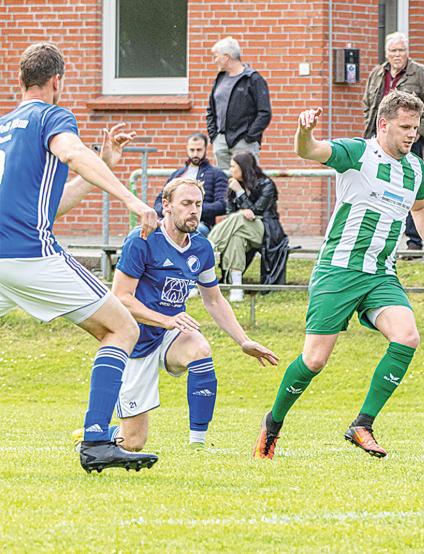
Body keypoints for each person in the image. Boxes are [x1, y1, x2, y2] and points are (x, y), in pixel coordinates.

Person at [253, 90, 424, 460]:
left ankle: (363, 424)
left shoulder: (415, 168)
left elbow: (421, 206)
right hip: (339, 270)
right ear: (383, 124)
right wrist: (304, 131)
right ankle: (273, 424)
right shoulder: (359, 154)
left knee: (407, 337)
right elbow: (308, 152)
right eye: (405, 127)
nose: (412, 134)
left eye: (416, 128)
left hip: (380, 274)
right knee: (314, 361)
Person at [0, 42, 158, 472]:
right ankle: (96, 441)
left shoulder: (4, 126)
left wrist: (106, 160)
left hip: (2, 262)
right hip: (31, 256)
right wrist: (134, 200)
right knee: (122, 327)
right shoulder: (53, 116)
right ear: (57, 81)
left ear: (21, 79)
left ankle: (99, 438)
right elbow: (71, 153)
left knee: (112, 328)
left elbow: (52, 203)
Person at [73, 178, 279, 451]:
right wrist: (167, 320)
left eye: (198, 204)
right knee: (134, 442)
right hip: (133, 339)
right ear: (166, 206)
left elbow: (214, 300)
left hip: (170, 334)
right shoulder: (142, 239)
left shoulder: (201, 248)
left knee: (200, 349)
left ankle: (197, 446)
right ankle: (102, 436)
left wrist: (243, 341)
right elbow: (121, 298)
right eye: (186, 203)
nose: (194, 210)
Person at [363, 32, 424, 251]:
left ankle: (414, 241)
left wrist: (416, 133)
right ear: (386, 53)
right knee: (375, 186)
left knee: (410, 188)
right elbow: (368, 104)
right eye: (393, 51)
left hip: (408, 142)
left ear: (407, 52)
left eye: (401, 50)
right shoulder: (377, 74)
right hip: (377, 140)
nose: (397, 55)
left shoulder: (420, 73)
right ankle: (378, 237)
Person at [207, 152, 286, 302]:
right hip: (243, 230)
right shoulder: (232, 186)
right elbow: (229, 213)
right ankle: (237, 288)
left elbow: (257, 212)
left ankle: (210, 245)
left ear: (243, 167)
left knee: (239, 217)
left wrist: (240, 192)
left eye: (233, 166)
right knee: (236, 237)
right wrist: (237, 196)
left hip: (266, 231)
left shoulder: (266, 184)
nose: (230, 170)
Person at [207, 37, 271, 170]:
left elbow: (264, 112)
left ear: (226, 57)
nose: (215, 60)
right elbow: (211, 109)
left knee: (248, 182)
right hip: (221, 142)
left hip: (244, 143)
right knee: (224, 185)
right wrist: (214, 136)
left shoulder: (253, 79)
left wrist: (249, 137)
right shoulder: (220, 79)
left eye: (216, 56)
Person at [154, 133, 228, 236]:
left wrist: (192, 209)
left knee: (195, 231)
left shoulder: (217, 174)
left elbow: (222, 205)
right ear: (187, 149)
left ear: (205, 149)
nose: (195, 154)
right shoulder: (177, 174)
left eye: (199, 150)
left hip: (200, 223)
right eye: (192, 150)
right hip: (169, 221)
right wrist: (167, 211)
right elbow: (159, 201)